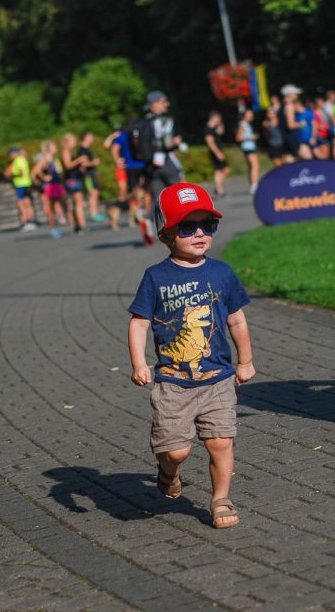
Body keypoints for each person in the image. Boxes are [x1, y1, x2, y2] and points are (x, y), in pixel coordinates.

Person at [127, 182, 255, 529]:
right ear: (166, 234)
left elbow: (237, 319)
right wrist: (139, 363)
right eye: (187, 227)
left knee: (220, 442)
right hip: (173, 382)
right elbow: (139, 323)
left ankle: (220, 499)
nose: (199, 233)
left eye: (207, 225)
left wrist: (244, 361)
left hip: (218, 378)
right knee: (176, 451)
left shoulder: (221, 273)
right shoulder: (155, 277)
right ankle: (168, 472)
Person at [144, 91, 185, 204]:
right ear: (154, 103)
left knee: (159, 199)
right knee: (180, 192)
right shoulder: (163, 121)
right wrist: (175, 142)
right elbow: (166, 143)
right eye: (164, 101)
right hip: (165, 161)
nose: (167, 104)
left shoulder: (144, 120)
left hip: (150, 164)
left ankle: (150, 219)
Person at [31, 140, 69, 239]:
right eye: (53, 146)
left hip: (57, 184)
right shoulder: (45, 158)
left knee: (63, 204)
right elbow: (35, 171)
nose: (56, 148)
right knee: (50, 208)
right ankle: (53, 229)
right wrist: (44, 177)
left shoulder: (53, 158)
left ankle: (73, 224)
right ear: (49, 148)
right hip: (50, 186)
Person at [3, 147, 37, 232]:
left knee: (21, 203)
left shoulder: (18, 160)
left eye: (11, 154)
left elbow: (20, 172)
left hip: (21, 184)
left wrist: (13, 174)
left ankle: (26, 221)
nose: (10, 156)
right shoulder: (22, 159)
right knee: (27, 202)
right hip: (26, 183)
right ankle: (31, 221)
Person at [60, 133, 87, 235]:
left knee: (77, 203)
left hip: (75, 178)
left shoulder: (70, 152)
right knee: (78, 203)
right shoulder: (65, 151)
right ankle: (81, 225)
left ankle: (78, 225)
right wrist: (79, 160)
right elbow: (68, 165)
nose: (75, 144)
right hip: (72, 180)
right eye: (73, 141)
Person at [79, 132, 106, 222]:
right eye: (90, 136)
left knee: (96, 192)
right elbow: (83, 164)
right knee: (92, 193)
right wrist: (93, 163)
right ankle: (93, 213)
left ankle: (96, 212)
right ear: (85, 138)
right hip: (88, 174)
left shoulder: (87, 149)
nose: (92, 138)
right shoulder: (82, 150)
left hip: (92, 173)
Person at [204, 110, 229, 197]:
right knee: (219, 170)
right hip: (215, 152)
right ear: (214, 118)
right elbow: (210, 142)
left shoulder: (214, 128)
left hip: (219, 150)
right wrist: (217, 152)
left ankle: (218, 187)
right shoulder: (208, 129)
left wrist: (220, 125)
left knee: (225, 170)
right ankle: (219, 190)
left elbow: (221, 132)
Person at [236, 109, 260, 194]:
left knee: (252, 167)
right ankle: (254, 186)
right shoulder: (243, 124)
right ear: (244, 115)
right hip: (248, 148)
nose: (251, 116)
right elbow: (238, 137)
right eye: (249, 114)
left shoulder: (246, 124)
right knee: (255, 166)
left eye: (251, 114)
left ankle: (254, 185)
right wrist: (251, 137)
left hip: (250, 147)